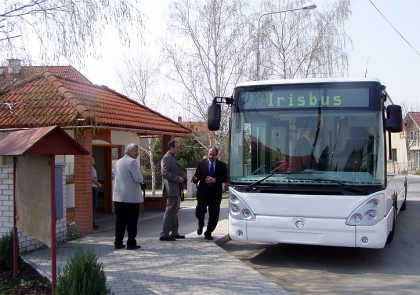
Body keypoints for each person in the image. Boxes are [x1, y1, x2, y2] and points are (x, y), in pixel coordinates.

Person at [191, 146, 228, 240]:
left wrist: (214, 180)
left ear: (216, 155)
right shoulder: (201, 163)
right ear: (208, 154)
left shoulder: (222, 165)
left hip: (215, 194)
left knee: (214, 215)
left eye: (213, 155)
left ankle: (208, 232)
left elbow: (224, 178)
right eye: (210, 154)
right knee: (199, 211)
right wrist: (195, 178)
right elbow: (197, 175)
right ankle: (201, 223)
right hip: (203, 192)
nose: (211, 156)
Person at [113, 143, 144, 250]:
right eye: (136, 151)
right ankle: (131, 243)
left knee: (120, 220)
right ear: (130, 151)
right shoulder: (132, 162)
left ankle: (118, 242)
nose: (138, 153)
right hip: (131, 197)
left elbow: (114, 174)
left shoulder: (118, 162)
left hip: (119, 196)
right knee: (131, 221)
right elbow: (139, 178)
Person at [159, 140, 186, 241]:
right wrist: (177, 178)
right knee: (170, 211)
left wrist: (181, 178)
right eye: (177, 147)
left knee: (175, 210)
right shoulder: (166, 158)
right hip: (171, 188)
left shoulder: (172, 157)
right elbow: (165, 173)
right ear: (171, 148)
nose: (178, 149)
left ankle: (174, 232)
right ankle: (164, 233)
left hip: (176, 188)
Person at [92, 156, 102, 229]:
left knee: (93, 205)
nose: (94, 160)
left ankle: (92, 221)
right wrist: (99, 184)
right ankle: (92, 222)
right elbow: (93, 179)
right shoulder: (92, 169)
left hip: (92, 188)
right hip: (93, 188)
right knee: (94, 206)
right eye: (93, 159)